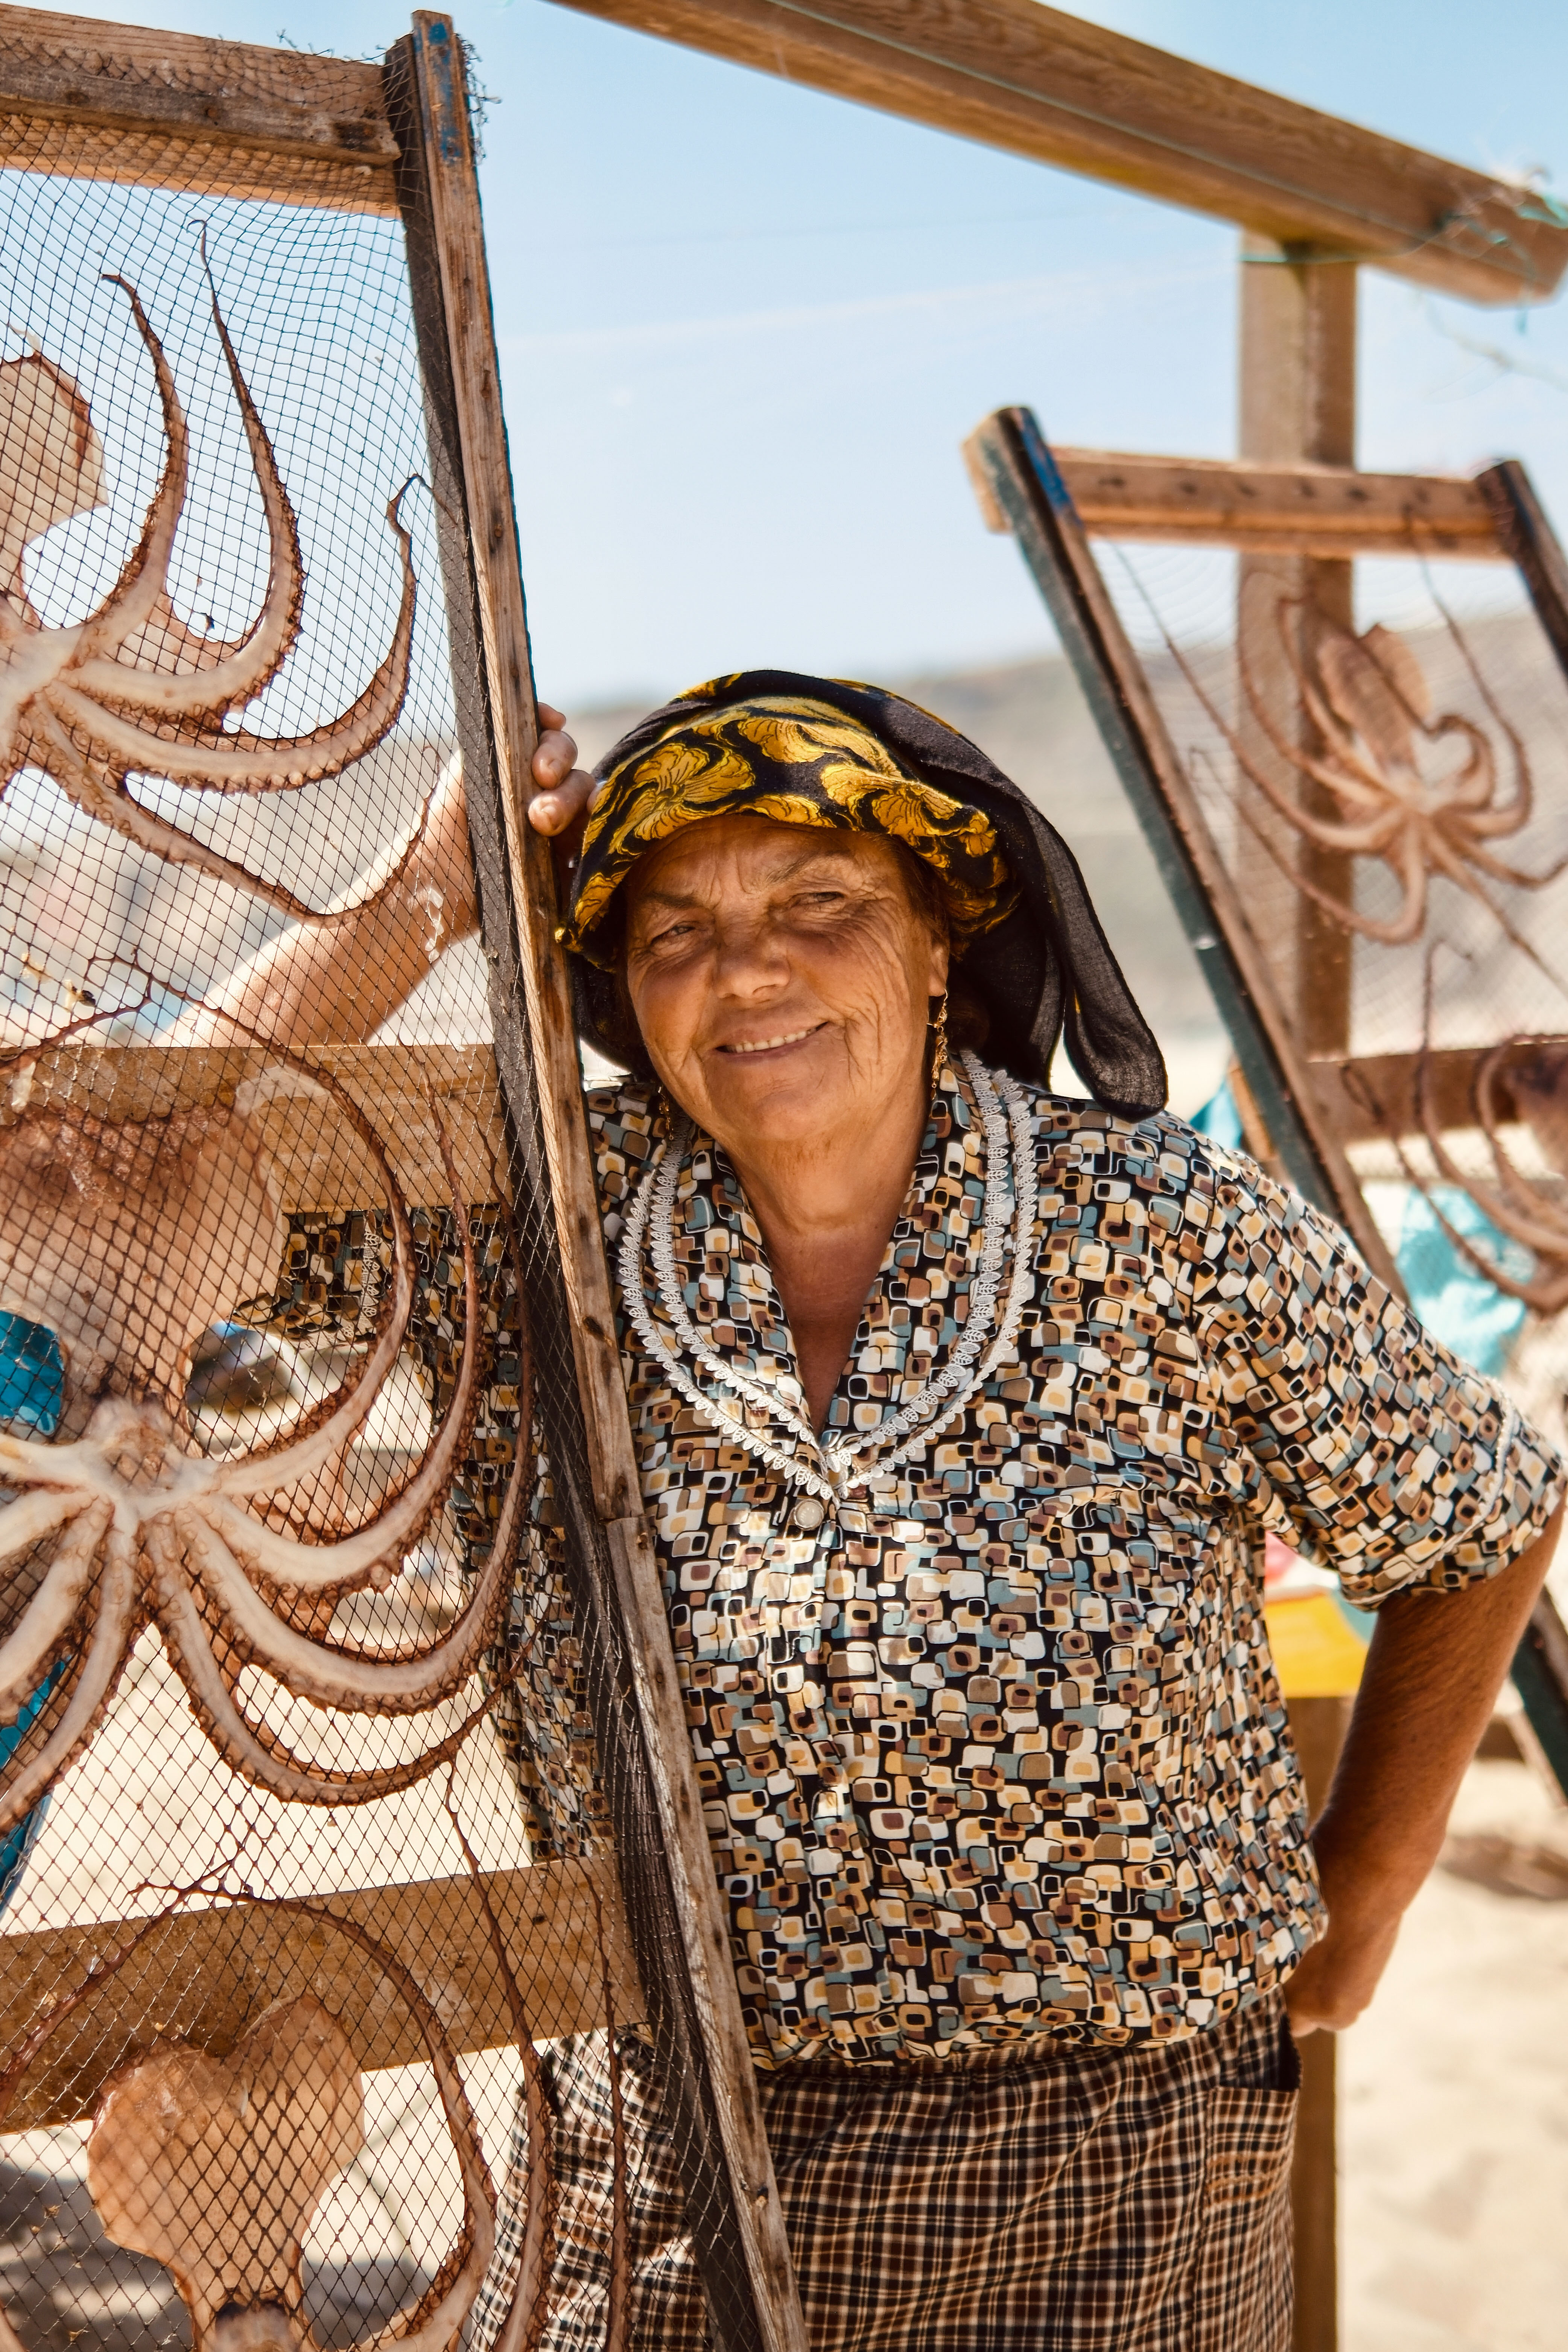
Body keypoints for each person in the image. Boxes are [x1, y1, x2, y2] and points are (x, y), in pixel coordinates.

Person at [491, 670, 1563, 2352]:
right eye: (675, 930)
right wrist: (436, 882)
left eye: (820, 903)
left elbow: (1478, 1514)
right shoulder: (547, 1232)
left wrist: (1365, 1881)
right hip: (670, 2177)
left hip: (1129, 2190)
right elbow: (149, 1190)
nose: (748, 968)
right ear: (623, 990)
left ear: (938, 948)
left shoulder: (1158, 1224)